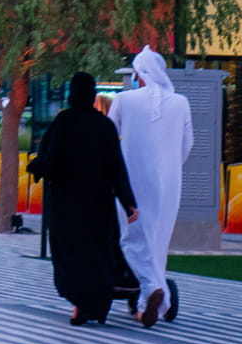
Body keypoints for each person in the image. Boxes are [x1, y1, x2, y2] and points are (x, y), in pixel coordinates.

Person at [29, 72, 140, 325]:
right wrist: (128, 201)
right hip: (98, 203)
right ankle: (96, 305)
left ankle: (80, 305)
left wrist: (36, 168)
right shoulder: (105, 126)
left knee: (71, 255)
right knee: (97, 255)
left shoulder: (63, 122)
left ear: (72, 95)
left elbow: (49, 159)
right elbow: (117, 167)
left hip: (66, 203)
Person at [108, 46, 193, 328]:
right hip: (168, 184)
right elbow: (187, 145)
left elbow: (108, 139)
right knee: (158, 240)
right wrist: (169, 167)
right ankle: (154, 299)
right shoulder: (181, 102)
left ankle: (152, 289)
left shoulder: (123, 100)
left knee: (130, 237)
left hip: (131, 181)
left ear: (138, 73)